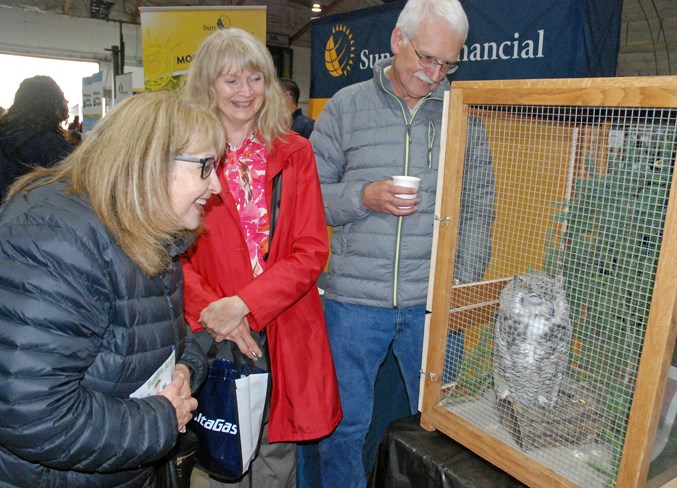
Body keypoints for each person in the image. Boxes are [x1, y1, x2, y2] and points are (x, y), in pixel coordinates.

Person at [309, 0, 496, 486]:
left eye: (448, 64)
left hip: (432, 305)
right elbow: (307, 200)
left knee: (440, 430)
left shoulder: (462, 114)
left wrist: (461, 280)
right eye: (427, 58)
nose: (435, 75)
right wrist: (362, 196)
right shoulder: (345, 107)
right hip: (353, 302)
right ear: (397, 41)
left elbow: (479, 203)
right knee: (343, 429)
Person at [0, 91, 224, 486]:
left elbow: (145, 334)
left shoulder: (145, 229)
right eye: (205, 166)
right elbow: (32, 414)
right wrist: (160, 420)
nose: (217, 184)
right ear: (150, 161)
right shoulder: (59, 241)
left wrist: (187, 366)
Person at [181, 28, 342, 488]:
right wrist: (220, 313)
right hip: (210, 331)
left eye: (255, 78)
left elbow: (311, 251)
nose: (245, 92)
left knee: (275, 457)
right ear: (207, 85)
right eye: (230, 80)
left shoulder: (295, 152)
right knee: (218, 458)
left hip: (283, 327)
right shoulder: (184, 154)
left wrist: (245, 304)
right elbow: (166, 251)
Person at [0, 75, 72, 200]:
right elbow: (71, 184)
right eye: (62, 97)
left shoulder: (5, 134)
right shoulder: (50, 144)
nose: (67, 101)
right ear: (49, 103)